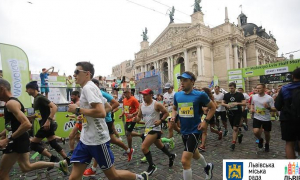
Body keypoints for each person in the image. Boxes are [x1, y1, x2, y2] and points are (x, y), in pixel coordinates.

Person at [68, 61, 148, 180]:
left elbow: (101, 112)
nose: (74, 75)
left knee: (113, 176)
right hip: (86, 140)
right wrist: (86, 115)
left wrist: (79, 110)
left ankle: (139, 178)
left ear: (87, 74)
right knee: (74, 178)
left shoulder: (88, 88)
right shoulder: (91, 88)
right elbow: (108, 107)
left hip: (98, 141)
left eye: (76, 72)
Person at [0, 79, 68, 179]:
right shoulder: (15, 102)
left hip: (18, 139)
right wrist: (3, 133)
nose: (26, 91)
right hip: (22, 137)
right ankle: (59, 163)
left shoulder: (13, 103)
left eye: (27, 89)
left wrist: (7, 139)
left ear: (2, 89)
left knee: (2, 173)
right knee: (26, 167)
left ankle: (59, 158)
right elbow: (15, 124)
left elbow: (27, 124)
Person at [83, 79, 134, 177]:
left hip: (105, 120)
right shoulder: (90, 93)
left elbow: (116, 103)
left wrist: (105, 112)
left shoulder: (101, 93)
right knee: (108, 140)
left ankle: (94, 169)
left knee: (100, 143)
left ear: (96, 85)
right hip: (100, 121)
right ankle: (128, 150)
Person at [172, 71, 215, 180]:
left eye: (185, 80)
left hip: (195, 130)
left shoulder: (200, 95)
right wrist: (173, 116)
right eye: (181, 80)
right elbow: (174, 108)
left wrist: (205, 121)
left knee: (185, 160)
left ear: (192, 82)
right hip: (184, 130)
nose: (182, 82)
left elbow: (213, 107)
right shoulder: (177, 95)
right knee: (195, 154)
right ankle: (208, 167)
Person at [26, 81, 70, 170]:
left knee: (33, 144)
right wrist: (31, 117)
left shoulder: (41, 97)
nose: (26, 91)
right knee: (53, 143)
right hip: (45, 124)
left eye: (27, 89)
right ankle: (67, 160)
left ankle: (53, 158)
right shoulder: (36, 98)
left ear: (32, 89)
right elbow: (40, 113)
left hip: (46, 125)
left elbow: (54, 107)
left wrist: (48, 121)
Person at [133, 88, 176, 176]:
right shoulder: (141, 105)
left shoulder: (156, 104)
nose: (143, 97)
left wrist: (160, 120)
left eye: (145, 95)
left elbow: (166, 113)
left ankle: (152, 166)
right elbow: (139, 117)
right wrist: (134, 119)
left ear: (151, 95)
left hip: (155, 129)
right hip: (147, 129)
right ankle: (171, 155)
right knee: (160, 146)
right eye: (143, 95)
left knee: (144, 147)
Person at [275, 67, 300, 159]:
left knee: (289, 144)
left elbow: (277, 106)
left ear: (292, 76)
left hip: (288, 119)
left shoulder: (285, 88)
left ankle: (293, 170)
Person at [250, 83, 276, 152]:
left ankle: (267, 143)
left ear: (264, 89)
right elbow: (252, 104)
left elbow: (274, 109)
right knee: (256, 132)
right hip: (257, 117)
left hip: (266, 118)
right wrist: (252, 109)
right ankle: (260, 139)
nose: (258, 90)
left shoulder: (269, 98)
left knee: (267, 133)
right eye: (257, 88)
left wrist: (268, 107)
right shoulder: (254, 96)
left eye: (259, 88)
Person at [222, 82, 246, 151]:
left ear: (235, 88)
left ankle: (233, 143)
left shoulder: (239, 94)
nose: (230, 89)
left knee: (235, 128)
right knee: (234, 128)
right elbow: (222, 103)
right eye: (229, 88)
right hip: (230, 113)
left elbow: (244, 103)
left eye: (232, 88)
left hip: (238, 113)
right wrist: (226, 105)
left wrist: (237, 103)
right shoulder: (226, 95)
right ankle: (240, 134)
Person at [198, 87, 222, 152]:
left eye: (203, 91)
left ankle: (219, 132)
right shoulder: (200, 99)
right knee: (204, 131)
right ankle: (203, 145)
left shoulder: (210, 99)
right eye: (201, 91)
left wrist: (209, 108)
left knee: (212, 129)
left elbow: (215, 106)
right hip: (203, 116)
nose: (202, 93)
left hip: (210, 116)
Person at [67, 91, 81, 157]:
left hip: (83, 123)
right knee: (75, 136)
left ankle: (73, 151)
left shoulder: (78, 102)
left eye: (72, 95)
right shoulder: (76, 103)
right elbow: (76, 114)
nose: (71, 97)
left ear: (77, 95)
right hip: (79, 122)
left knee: (73, 136)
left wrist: (72, 105)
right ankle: (74, 151)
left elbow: (69, 110)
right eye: (71, 95)